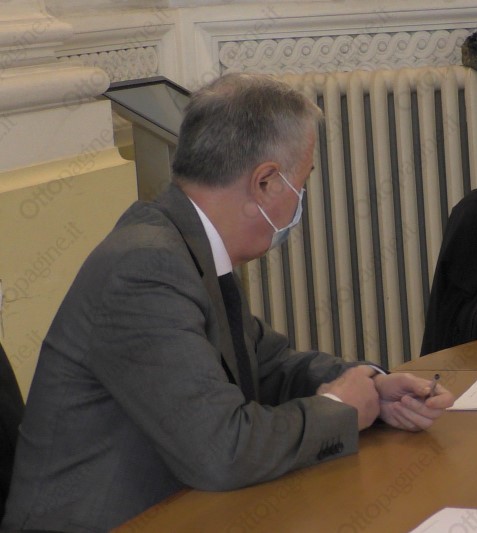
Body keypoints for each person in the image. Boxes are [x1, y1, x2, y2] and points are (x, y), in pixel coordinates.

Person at [2, 73, 454, 532]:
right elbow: (222, 451)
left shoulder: (185, 244)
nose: (302, 197)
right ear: (266, 182)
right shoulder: (145, 267)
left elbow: (268, 366)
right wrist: (339, 408)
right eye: (303, 181)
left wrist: (370, 386)